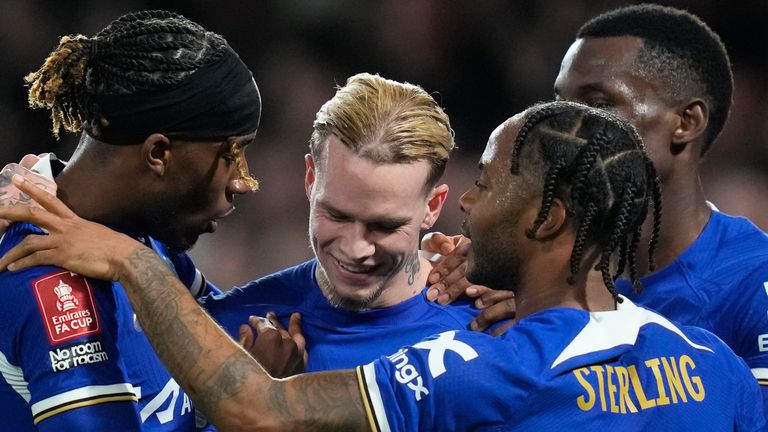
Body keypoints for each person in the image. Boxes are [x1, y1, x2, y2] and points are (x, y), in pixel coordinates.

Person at [1, 100, 763, 431]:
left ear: (549, 218)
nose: (470, 204)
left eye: (489, 185)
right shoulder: (705, 361)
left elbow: (256, 411)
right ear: (307, 182)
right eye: (337, 212)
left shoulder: (479, 366)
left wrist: (133, 263)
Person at [426, 3, 768, 410]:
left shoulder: (753, 284)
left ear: (686, 122)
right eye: (557, 107)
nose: (567, 129)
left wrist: (572, 318)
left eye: (596, 105)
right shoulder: (520, 271)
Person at [0, 10, 261, 430]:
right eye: (230, 153)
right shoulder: (45, 280)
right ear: (158, 154)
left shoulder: (136, 234)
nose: (242, 181)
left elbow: (234, 321)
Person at [199, 72, 485, 373]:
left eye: (384, 226)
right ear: (311, 178)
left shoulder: (493, 322)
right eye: (336, 215)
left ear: (433, 206)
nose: (355, 248)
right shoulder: (226, 330)